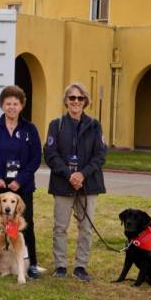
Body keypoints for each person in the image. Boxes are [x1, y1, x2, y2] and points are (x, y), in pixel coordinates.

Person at [43, 82, 106, 282]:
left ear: (85, 101)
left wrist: (82, 175)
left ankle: (80, 266)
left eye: (80, 98)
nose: (76, 102)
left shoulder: (95, 125)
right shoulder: (56, 125)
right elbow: (50, 154)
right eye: (72, 98)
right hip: (63, 183)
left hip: (88, 184)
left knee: (86, 228)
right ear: (66, 101)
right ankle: (60, 265)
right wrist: (69, 175)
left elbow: (100, 155)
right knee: (60, 227)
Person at [0, 85, 42, 278]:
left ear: (22, 106)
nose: (12, 107)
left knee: (25, 224)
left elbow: (35, 158)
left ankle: (29, 263)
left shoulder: (30, 129)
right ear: (2, 105)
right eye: (8, 104)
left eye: (16, 104)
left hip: (21, 187)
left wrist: (19, 180)